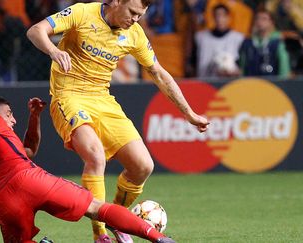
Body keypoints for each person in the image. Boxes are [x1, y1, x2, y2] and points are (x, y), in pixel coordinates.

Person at [27, 0, 209, 242]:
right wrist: (54, 50)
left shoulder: (134, 34)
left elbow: (159, 73)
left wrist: (189, 114)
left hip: (103, 99)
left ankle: (116, 218)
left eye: (140, 15)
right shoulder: (82, 12)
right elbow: (35, 30)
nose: (135, 19)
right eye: (133, 12)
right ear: (116, 2)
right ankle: (100, 235)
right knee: (95, 156)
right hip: (69, 96)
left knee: (143, 166)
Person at [0, 95, 175, 243]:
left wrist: (34, 117)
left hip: (2, 202)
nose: (12, 119)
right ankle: (159, 239)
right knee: (96, 208)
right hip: (28, 179)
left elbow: (28, 149)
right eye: (10, 114)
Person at [239, 9, 291, 78]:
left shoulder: (278, 42)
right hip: (251, 84)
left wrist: (283, 83)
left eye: (264, 19)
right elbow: (242, 66)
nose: (260, 22)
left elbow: (284, 67)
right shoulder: (247, 43)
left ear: (271, 22)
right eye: (257, 18)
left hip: (271, 84)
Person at [195, 4, 244, 77]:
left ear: (228, 18)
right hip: (205, 82)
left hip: (231, 83)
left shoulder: (238, 38)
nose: (220, 19)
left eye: (223, 16)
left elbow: (242, 65)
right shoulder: (201, 37)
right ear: (213, 17)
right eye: (217, 15)